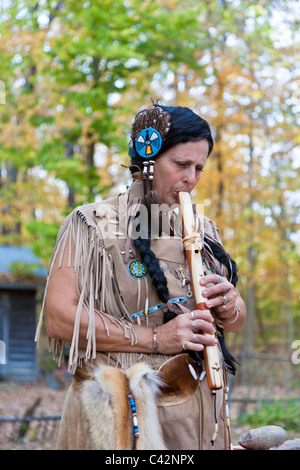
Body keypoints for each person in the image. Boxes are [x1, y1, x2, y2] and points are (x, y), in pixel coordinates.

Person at [36, 103, 246, 450]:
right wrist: (156, 339)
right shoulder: (90, 224)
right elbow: (59, 319)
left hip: (198, 421)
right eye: (181, 164)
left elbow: (235, 324)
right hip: (117, 423)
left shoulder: (204, 230)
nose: (191, 179)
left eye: (199, 168)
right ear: (146, 162)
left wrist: (231, 305)